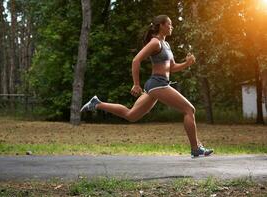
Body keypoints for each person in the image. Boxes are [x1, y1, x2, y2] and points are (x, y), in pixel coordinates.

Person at [80, 15, 213, 158]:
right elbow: (136, 60)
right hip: (157, 84)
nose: (172, 27)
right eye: (169, 24)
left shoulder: (166, 44)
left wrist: (187, 64)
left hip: (157, 85)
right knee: (189, 109)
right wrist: (136, 84)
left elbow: (172, 67)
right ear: (161, 25)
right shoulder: (155, 42)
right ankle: (195, 148)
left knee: (131, 115)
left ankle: (97, 104)